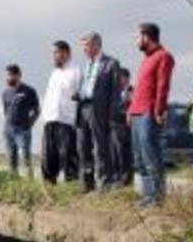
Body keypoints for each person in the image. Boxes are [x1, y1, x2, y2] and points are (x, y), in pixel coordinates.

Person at [128, 23, 175, 208]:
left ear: (147, 37)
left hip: (149, 112)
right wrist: (130, 111)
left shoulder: (164, 56)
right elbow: (139, 88)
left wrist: (159, 110)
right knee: (139, 158)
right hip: (137, 112)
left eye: (138, 37)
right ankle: (147, 196)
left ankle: (158, 197)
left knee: (151, 156)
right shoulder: (145, 59)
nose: (136, 41)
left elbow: (163, 86)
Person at [75, 32, 121, 192]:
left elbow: (116, 92)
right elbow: (85, 85)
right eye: (83, 46)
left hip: (99, 109)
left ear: (96, 45)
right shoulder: (86, 64)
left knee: (101, 147)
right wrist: (78, 94)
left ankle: (104, 182)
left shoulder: (111, 63)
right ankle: (87, 183)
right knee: (83, 147)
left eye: (86, 45)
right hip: (83, 108)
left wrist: (112, 115)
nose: (84, 49)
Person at [40, 40, 82, 184]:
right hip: (50, 119)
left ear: (66, 53)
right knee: (48, 157)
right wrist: (44, 117)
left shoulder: (76, 71)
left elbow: (80, 95)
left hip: (67, 120)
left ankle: (72, 186)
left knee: (68, 156)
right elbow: (49, 96)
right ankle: (49, 186)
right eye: (53, 53)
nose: (53, 56)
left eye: (56, 53)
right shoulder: (54, 73)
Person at [2, 64, 40, 177]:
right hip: (8, 131)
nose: (7, 78)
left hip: (23, 131)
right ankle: (14, 184)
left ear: (18, 75)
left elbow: (37, 110)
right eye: (6, 76)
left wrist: (29, 124)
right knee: (11, 160)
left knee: (26, 159)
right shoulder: (5, 93)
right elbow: (6, 111)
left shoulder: (29, 91)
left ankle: (30, 185)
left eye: (9, 75)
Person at [111, 68, 134, 186]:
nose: (120, 80)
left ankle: (126, 178)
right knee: (114, 152)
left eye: (121, 77)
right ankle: (117, 176)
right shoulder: (115, 91)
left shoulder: (132, 90)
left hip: (125, 125)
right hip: (114, 125)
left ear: (126, 78)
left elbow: (132, 107)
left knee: (124, 152)